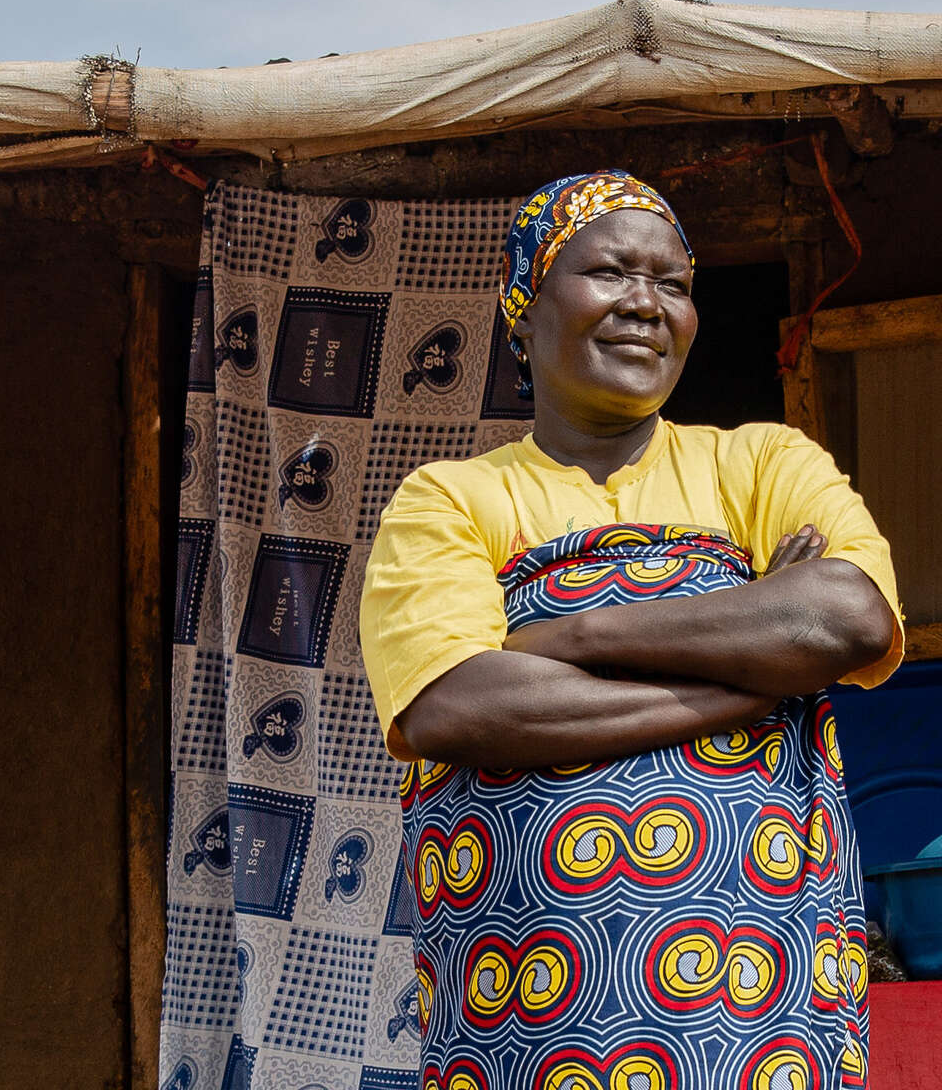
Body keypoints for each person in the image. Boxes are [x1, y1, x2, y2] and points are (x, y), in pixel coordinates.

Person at [360, 169, 903, 1090]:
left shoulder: (760, 461)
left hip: (759, 1009)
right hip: (527, 1015)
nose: (647, 306)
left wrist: (567, 637)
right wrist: (760, 670)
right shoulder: (450, 500)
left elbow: (847, 618)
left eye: (675, 284)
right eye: (611, 272)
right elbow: (456, 704)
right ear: (524, 310)